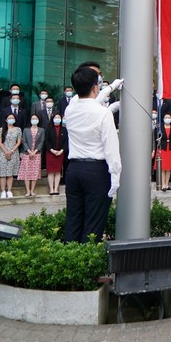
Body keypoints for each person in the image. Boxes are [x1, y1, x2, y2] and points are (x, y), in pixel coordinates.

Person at [63, 65, 121, 242]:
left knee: (73, 220)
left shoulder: (70, 109)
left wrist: (110, 88)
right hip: (96, 172)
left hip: (73, 170)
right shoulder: (103, 113)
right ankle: (86, 258)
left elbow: (87, 103)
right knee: (93, 225)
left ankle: (69, 255)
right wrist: (116, 177)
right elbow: (111, 149)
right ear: (95, 87)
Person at [0, 113, 22, 198]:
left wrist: (11, 151)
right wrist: (6, 152)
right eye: (9, 118)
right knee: (3, 173)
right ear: (6, 120)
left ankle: (9, 190)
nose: (11, 120)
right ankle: (3, 191)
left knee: (10, 173)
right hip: (3, 153)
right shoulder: (1, 129)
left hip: (13, 152)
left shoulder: (18, 129)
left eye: (12, 118)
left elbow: (19, 142)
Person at [18, 115, 44, 197]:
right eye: (33, 119)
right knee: (27, 172)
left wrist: (35, 151)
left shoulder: (41, 130)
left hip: (36, 154)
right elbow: (24, 141)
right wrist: (29, 151)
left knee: (34, 172)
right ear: (30, 120)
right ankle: (27, 190)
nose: (34, 120)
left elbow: (41, 142)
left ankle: (32, 190)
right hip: (27, 154)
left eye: (36, 118)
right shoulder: (26, 130)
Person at [44, 113, 67, 196]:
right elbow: (46, 141)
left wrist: (62, 150)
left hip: (60, 153)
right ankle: (51, 189)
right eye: (56, 117)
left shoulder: (64, 129)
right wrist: (52, 150)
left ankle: (56, 189)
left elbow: (66, 141)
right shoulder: (48, 129)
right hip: (50, 153)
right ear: (53, 119)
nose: (57, 118)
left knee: (58, 171)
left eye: (59, 117)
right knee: (51, 171)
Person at [158, 113, 171, 191]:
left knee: (169, 168)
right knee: (163, 167)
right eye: (166, 117)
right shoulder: (160, 128)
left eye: (169, 117)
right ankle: (163, 185)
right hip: (162, 148)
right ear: (163, 119)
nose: (167, 119)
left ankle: (167, 184)